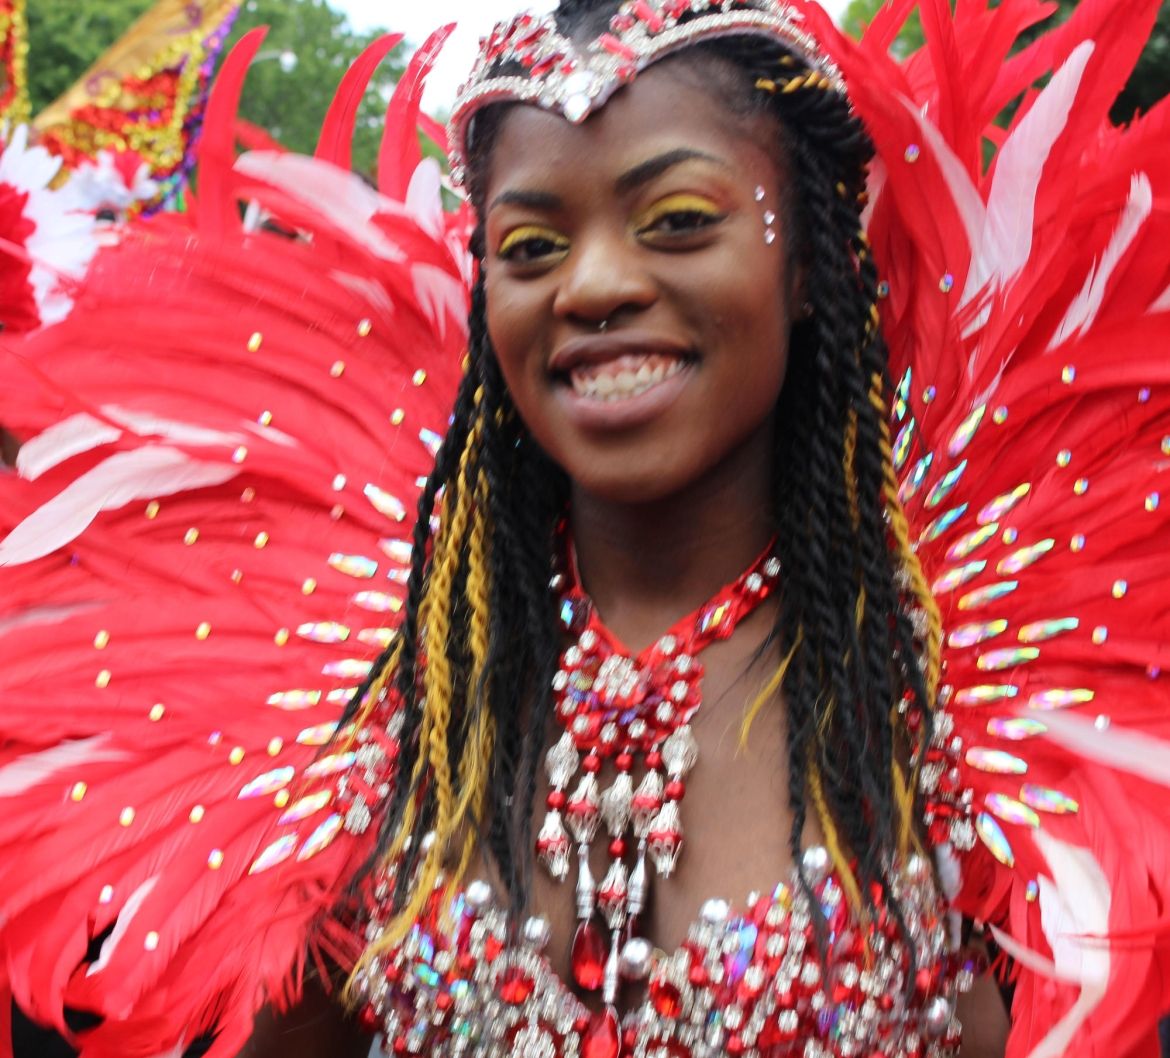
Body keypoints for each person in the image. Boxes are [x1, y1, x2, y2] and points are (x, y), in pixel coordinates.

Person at [0, 1, 1167, 1057]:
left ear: (806, 262)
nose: (593, 284)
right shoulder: (399, 684)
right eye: (530, 247)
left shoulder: (956, 675)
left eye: (676, 219)